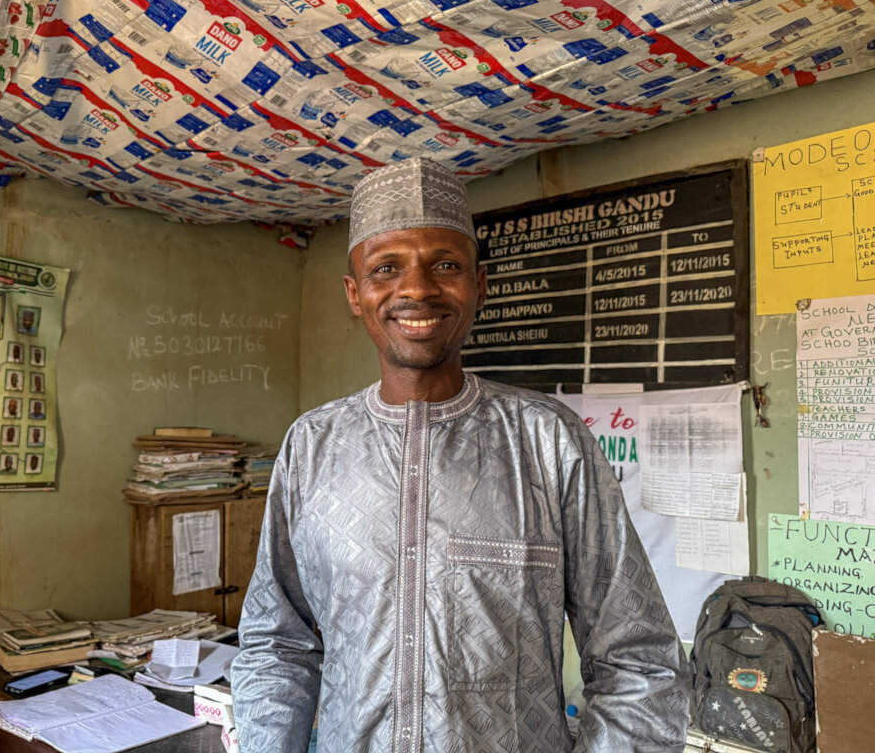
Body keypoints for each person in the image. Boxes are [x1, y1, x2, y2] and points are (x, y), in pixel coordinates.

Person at [231, 158, 690, 753]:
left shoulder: (549, 441)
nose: (416, 289)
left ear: (480, 284)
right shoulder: (312, 447)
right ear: (355, 293)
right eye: (386, 268)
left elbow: (640, 661)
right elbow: (275, 644)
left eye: (445, 265)